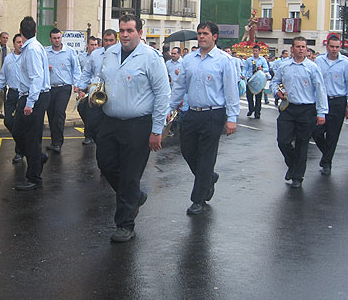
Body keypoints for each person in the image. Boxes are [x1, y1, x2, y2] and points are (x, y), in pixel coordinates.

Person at [96, 14, 170, 242]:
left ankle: (125, 224)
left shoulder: (151, 58)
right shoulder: (110, 53)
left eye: (130, 30)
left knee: (129, 175)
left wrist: (157, 130)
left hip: (138, 124)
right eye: (122, 30)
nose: (125, 35)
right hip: (110, 121)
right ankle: (134, 196)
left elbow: (162, 94)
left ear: (140, 32)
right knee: (105, 163)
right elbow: (101, 80)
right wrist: (92, 92)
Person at [169, 21, 239, 215]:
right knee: (187, 151)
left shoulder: (224, 60)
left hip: (213, 113)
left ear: (214, 37)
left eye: (205, 34)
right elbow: (180, 86)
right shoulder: (189, 59)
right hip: (191, 112)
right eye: (199, 33)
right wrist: (170, 106)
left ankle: (198, 199)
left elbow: (231, 91)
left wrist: (232, 117)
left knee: (207, 156)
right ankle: (208, 178)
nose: (201, 37)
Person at [270, 37, 328, 188]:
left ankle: (298, 177)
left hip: (306, 109)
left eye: (304, 47)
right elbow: (274, 82)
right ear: (292, 49)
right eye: (298, 46)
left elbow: (320, 89)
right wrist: (277, 92)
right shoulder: (284, 66)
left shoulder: (312, 67)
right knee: (283, 141)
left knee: (302, 144)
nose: (301, 49)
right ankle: (293, 165)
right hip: (288, 108)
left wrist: (321, 112)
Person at [12, 16, 51, 190]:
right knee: (19, 131)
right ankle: (37, 157)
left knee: (30, 136)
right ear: (35, 31)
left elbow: (37, 77)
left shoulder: (33, 49)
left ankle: (34, 177)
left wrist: (30, 103)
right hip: (29, 95)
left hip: (34, 96)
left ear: (21, 32)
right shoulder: (31, 48)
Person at [313, 35, 348, 175]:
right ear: (327, 47)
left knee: (333, 133)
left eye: (337, 47)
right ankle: (327, 154)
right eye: (332, 46)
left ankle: (326, 162)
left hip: (338, 101)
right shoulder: (319, 61)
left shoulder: (346, 63)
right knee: (317, 132)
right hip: (321, 100)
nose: (334, 49)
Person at [76, 29, 117, 145]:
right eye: (106, 40)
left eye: (111, 40)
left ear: (116, 41)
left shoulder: (120, 54)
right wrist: (81, 88)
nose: (108, 43)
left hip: (112, 93)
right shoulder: (95, 54)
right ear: (102, 41)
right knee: (85, 111)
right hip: (96, 92)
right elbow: (87, 73)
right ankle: (95, 137)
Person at [45, 28, 81, 154]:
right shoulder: (45, 52)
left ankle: (58, 143)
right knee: (51, 115)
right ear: (50, 39)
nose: (56, 40)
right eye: (54, 38)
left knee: (59, 113)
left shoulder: (69, 52)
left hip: (64, 88)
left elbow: (76, 69)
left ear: (61, 38)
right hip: (49, 88)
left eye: (58, 38)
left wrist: (77, 85)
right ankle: (54, 141)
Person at [0, 33, 24, 163]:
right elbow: (2, 76)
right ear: (13, 44)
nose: (21, 44)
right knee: (8, 121)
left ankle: (19, 152)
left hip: (23, 94)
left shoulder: (27, 58)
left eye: (22, 42)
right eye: (18, 42)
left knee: (20, 123)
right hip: (11, 93)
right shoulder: (8, 59)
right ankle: (23, 142)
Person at [244, 44, 269, 119]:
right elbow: (245, 69)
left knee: (258, 97)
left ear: (259, 51)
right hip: (250, 79)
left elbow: (266, 69)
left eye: (256, 51)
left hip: (258, 79)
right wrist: (243, 75)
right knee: (249, 96)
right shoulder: (249, 60)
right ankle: (251, 108)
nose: (255, 52)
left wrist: (262, 69)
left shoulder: (262, 60)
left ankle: (257, 112)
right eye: (254, 51)